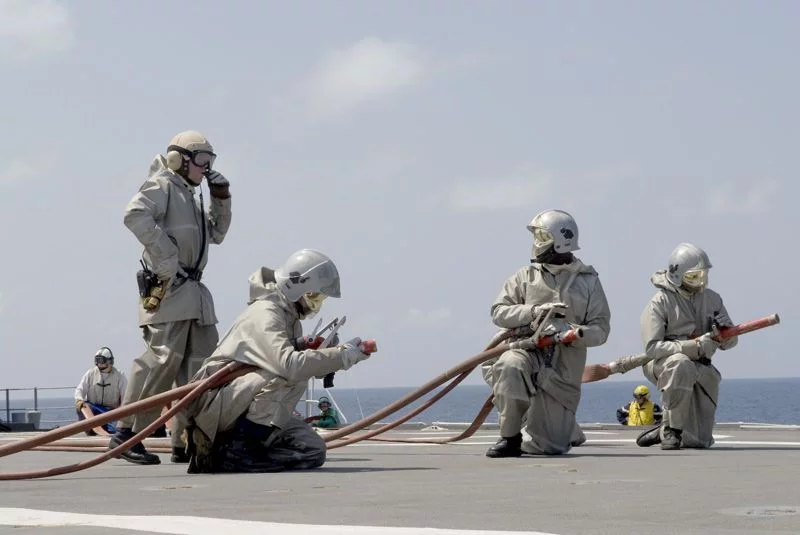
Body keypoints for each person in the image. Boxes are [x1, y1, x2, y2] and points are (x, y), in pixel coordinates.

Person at [181, 249, 375, 473]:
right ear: (297, 286)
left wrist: (319, 350)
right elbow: (290, 366)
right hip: (214, 408)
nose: (316, 304)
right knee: (287, 375)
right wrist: (342, 355)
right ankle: (239, 450)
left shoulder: (288, 317)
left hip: (240, 404)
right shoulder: (266, 313)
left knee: (312, 450)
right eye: (314, 296)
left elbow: (295, 361)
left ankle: (231, 454)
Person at [109, 131, 233, 465]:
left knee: (202, 368)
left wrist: (221, 198)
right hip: (171, 290)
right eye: (202, 160)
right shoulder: (163, 184)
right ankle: (127, 434)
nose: (207, 168)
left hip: (194, 294)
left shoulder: (190, 195)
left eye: (211, 161)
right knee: (161, 362)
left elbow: (217, 234)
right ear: (180, 160)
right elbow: (134, 214)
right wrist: (166, 257)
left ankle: (186, 441)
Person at [483, 209, 611, 457]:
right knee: (510, 364)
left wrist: (575, 333)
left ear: (561, 241)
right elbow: (499, 312)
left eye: (542, 237)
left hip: (562, 369)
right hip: (527, 351)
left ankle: (565, 428)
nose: (536, 244)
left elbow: (601, 329)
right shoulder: (524, 277)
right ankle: (510, 437)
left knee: (549, 448)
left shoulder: (589, 282)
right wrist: (533, 311)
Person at [636, 243, 737, 450]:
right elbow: (653, 348)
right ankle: (671, 430)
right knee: (681, 364)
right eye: (694, 277)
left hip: (701, 365)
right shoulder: (659, 302)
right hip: (663, 364)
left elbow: (731, 342)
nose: (701, 281)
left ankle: (665, 428)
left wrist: (726, 336)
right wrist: (693, 346)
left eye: (704, 275)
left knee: (699, 441)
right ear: (677, 275)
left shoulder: (713, 299)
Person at [74, 347, 127, 435]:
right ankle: (94, 427)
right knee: (84, 406)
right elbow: (80, 390)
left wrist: (120, 412)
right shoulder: (90, 374)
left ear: (109, 361)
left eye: (102, 361)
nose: (99, 364)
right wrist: (80, 400)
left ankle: (102, 428)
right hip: (93, 411)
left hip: (111, 413)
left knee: (119, 429)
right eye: (98, 361)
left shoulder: (119, 375)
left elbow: (125, 398)